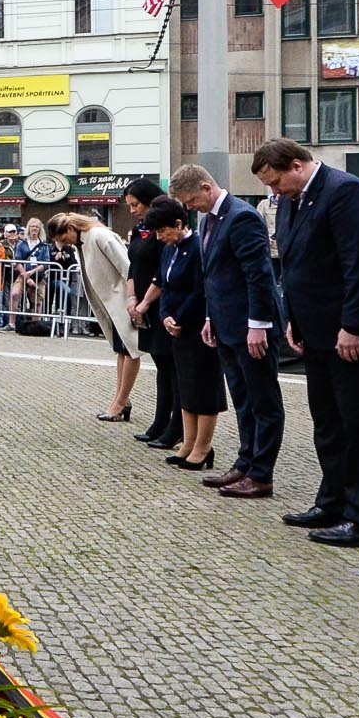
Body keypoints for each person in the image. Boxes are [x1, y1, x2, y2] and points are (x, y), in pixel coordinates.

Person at [253, 139, 359, 547]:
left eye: (276, 181)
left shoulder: (346, 192)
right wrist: (295, 320)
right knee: (328, 421)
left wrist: (354, 324)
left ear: (296, 165)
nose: (274, 191)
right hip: (319, 329)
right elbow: (294, 265)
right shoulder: (292, 201)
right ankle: (333, 502)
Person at [169, 164, 285, 500]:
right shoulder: (207, 220)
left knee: (263, 400)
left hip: (250, 327)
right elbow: (213, 276)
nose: (190, 208)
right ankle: (245, 462)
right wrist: (210, 317)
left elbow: (258, 274)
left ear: (206, 187)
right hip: (225, 325)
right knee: (243, 400)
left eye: (192, 200)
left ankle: (261, 473)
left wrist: (258, 324)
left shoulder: (242, 217)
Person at [145, 196, 225, 473]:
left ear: (179, 224)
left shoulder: (197, 247)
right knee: (185, 386)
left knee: (204, 387)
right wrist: (165, 314)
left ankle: (203, 446)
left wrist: (179, 317)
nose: (160, 237)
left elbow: (199, 289)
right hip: (176, 329)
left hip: (197, 327)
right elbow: (165, 285)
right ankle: (188, 442)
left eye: (163, 231)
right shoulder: (169, 250)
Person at [49, 212, 141, 421]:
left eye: (64, 239)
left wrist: (133, 297)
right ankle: (121, 399)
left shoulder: (99, 236)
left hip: (122, 300)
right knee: (122, 351)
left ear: (70, 229)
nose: (65, 243)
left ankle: (120, 402)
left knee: (130, 350)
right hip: (112, 303)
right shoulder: (83, 242)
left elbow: (127, 266)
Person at [123, 179, 180, 450]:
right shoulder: (138, 230)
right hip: (143, 303)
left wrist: (145, 301)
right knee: (161, 365)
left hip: (160, 304)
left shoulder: (163, 232)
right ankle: (160, 422)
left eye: (136, 204)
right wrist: (131, 297)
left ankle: (176, 426)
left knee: (173, 367)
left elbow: (162, 271)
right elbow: (132, 266)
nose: (133, 210)